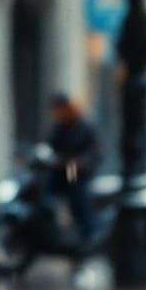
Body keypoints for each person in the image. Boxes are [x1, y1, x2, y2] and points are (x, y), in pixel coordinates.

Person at [46, 92, 101, 248]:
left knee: (78, 196)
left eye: (60, 109)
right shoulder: (60, 127)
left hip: (78, 174)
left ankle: (87, 237)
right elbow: (50, 145)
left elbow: (94, 153)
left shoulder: (84, 127)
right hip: (60, 172)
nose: (57, 113)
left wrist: (79, 162)